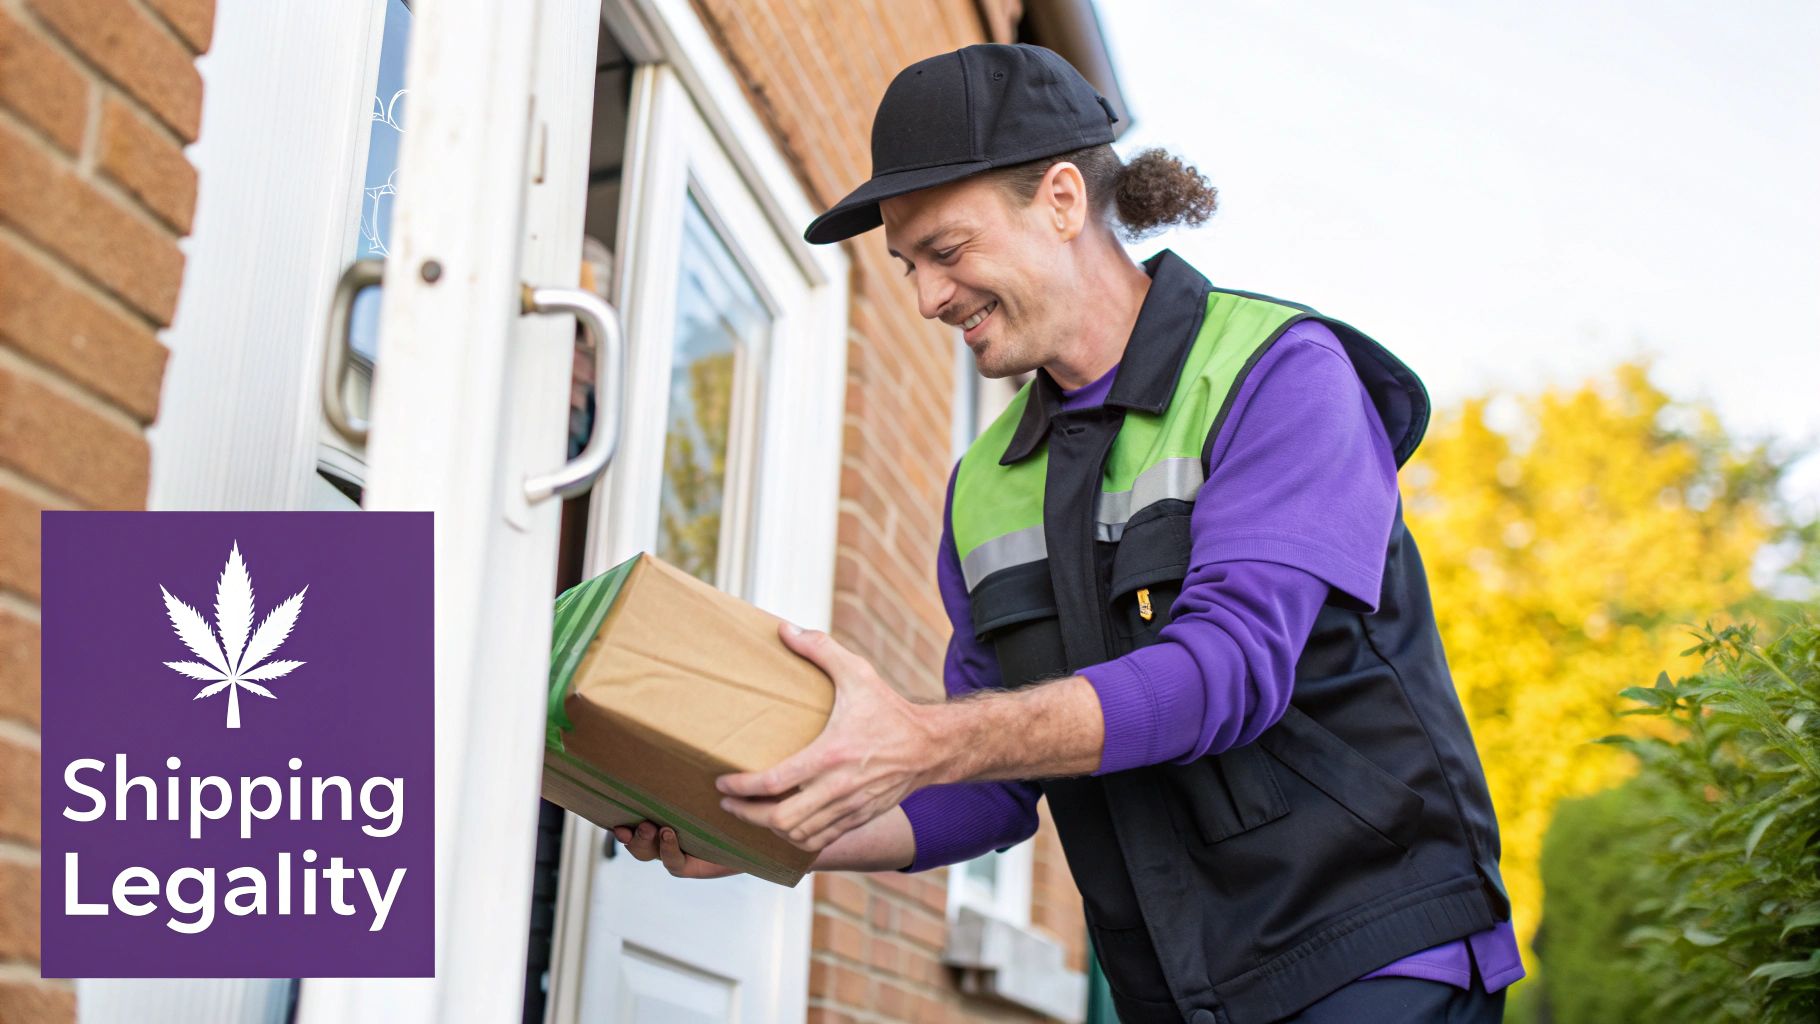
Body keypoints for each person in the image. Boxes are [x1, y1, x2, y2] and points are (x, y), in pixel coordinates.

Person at [613, 43, 1523, 1024]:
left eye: (945, 250)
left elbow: (1229, 670)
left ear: (1057, 200)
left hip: (1367, 954)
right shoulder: (984, 488)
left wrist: (922, 737)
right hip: (1172, 993)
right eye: (904, 264)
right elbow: (994, 790)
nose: (925, 297)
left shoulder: (1275, 375)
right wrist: (779, 827)